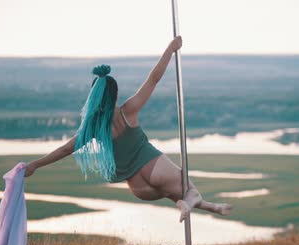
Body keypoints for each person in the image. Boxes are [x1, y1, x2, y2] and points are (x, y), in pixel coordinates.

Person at [24, 36, 232, 222]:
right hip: (152, 167)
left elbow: (65, 150)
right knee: (187, 186)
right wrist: (170, 49)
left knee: (172, 191)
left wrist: (35, 165)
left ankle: (206, 206)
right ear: (115, 94)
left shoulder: (94, 129)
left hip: (138, 187)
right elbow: (154, 79)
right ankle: (188, 201)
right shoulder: (128, 110)